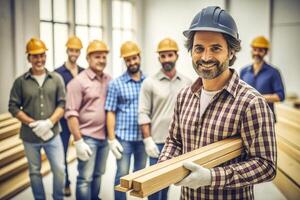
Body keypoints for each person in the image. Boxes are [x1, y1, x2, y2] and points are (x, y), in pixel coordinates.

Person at [158, 6, 277, 200]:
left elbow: (266, 166)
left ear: (231, 52)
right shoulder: (184, 97)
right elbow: (174, 141)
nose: (205, 57)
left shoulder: (251, 103)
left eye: (215, 48)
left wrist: (212, 177)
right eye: (199, 48)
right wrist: (164, 166)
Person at [8, 38, 66, 200]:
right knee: (34, 171)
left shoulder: (56, 79)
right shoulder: (20, 82)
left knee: (60, 169)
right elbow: (13, 107)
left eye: (42, 55)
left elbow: (62, 103)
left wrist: (49, 122)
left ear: (45, 56)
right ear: (29, 58)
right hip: (30, 137)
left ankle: (58, 198)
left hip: (52, 134)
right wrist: (32, 123)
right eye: (35, 56)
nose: (39, 59)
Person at [138, 38, 192, 200]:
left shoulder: (188, 82)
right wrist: (148, 140)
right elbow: (143, 112)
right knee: (154, 185)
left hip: (179, 142)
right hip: (157, 142)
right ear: (159, 58)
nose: (166, 59)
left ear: (176, 56)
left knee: (168, 182)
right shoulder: (149, 83)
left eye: (169, 55)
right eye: (163, 56)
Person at [65, 40, 111, 200]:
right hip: (88, 138)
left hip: (104, 138)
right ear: (88, 59)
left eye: (104, 57)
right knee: (85, 178)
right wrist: (78, 141)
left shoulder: (108, 80)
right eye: (97, 57)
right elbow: (71, 113)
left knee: (98, 174)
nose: (102, 60)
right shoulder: (77, 82)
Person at [105, 41, 147, 200]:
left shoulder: (148, 81)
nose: (132, 62)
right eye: (128, 60)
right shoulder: (116, 84)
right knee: (122, 175)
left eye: (134, 58)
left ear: (139, 57)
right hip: (124, 139)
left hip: (143, 139)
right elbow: (110, 112)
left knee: (140, 176)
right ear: (124, 61)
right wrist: (111, 139)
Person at [55, 35, 85, 196]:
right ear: (67, 50)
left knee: (84, 151)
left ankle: (84, 180)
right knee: (63, 154)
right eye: (71, 50)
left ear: (80, 52)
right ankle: (66, 183)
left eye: (77, 50)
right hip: (64, 121)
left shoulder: (83, 72)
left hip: (82, 120)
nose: (74, 53)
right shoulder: (57, 73)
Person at [240, 36, 285, 119]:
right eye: (255, 50)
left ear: (266, 52)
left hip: (266, 117)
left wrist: (257, 98)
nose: (257, 53)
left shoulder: (273, 72)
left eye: (260, 50)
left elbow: (280, 96)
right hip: (246, 117)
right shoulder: (244, 71)